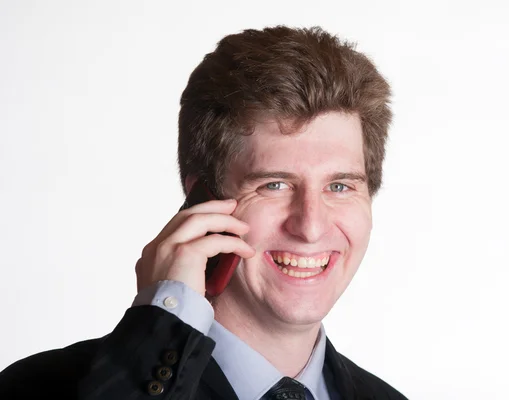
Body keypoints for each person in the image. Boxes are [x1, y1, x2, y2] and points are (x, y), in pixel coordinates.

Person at [0, 26, 407, 399]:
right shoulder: (38, 388)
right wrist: (161, 331)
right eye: (274, 185)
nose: (311, 225)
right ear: (200, 202)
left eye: (340, 186)